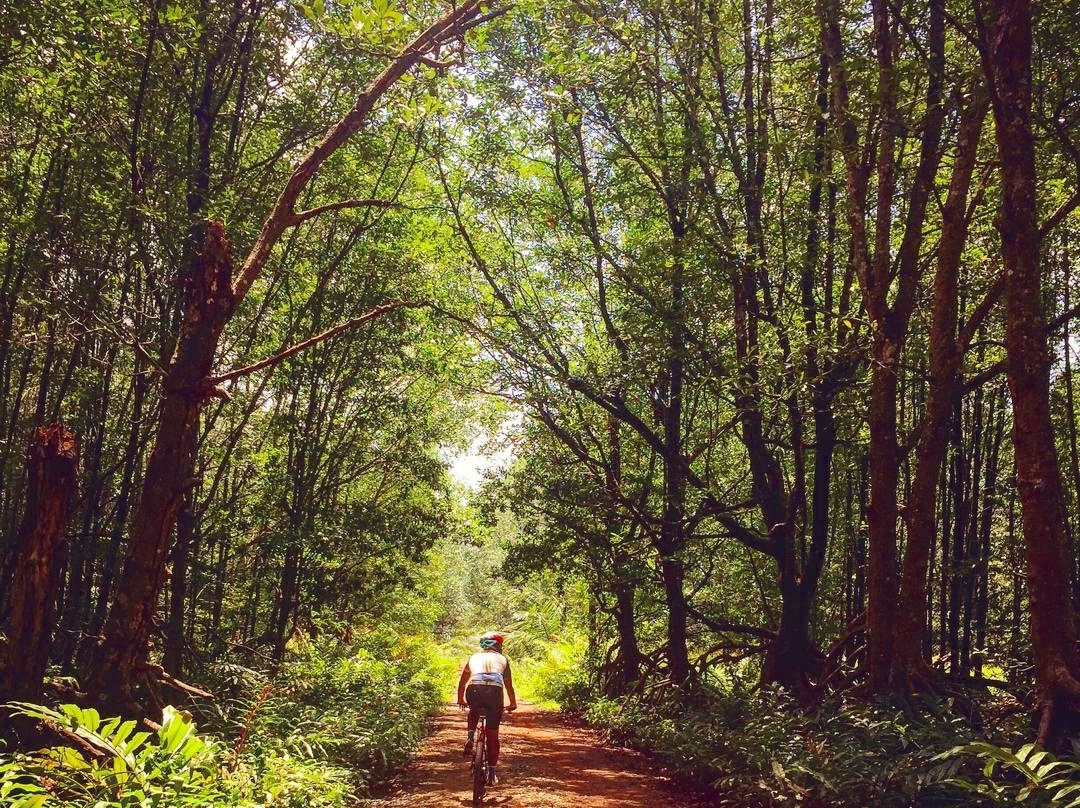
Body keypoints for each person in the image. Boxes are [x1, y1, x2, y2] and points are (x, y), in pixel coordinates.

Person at [457, 631, 517, 786]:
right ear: (498, 645)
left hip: (474, 688)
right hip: (494, 693)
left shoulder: (474, 657)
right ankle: (491, 773)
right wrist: (513, 703)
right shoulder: (503, 659)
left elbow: (463, 681)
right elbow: (508, 685)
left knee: (473, 711)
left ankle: (470, 736)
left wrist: (460, 699)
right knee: (492, 735)